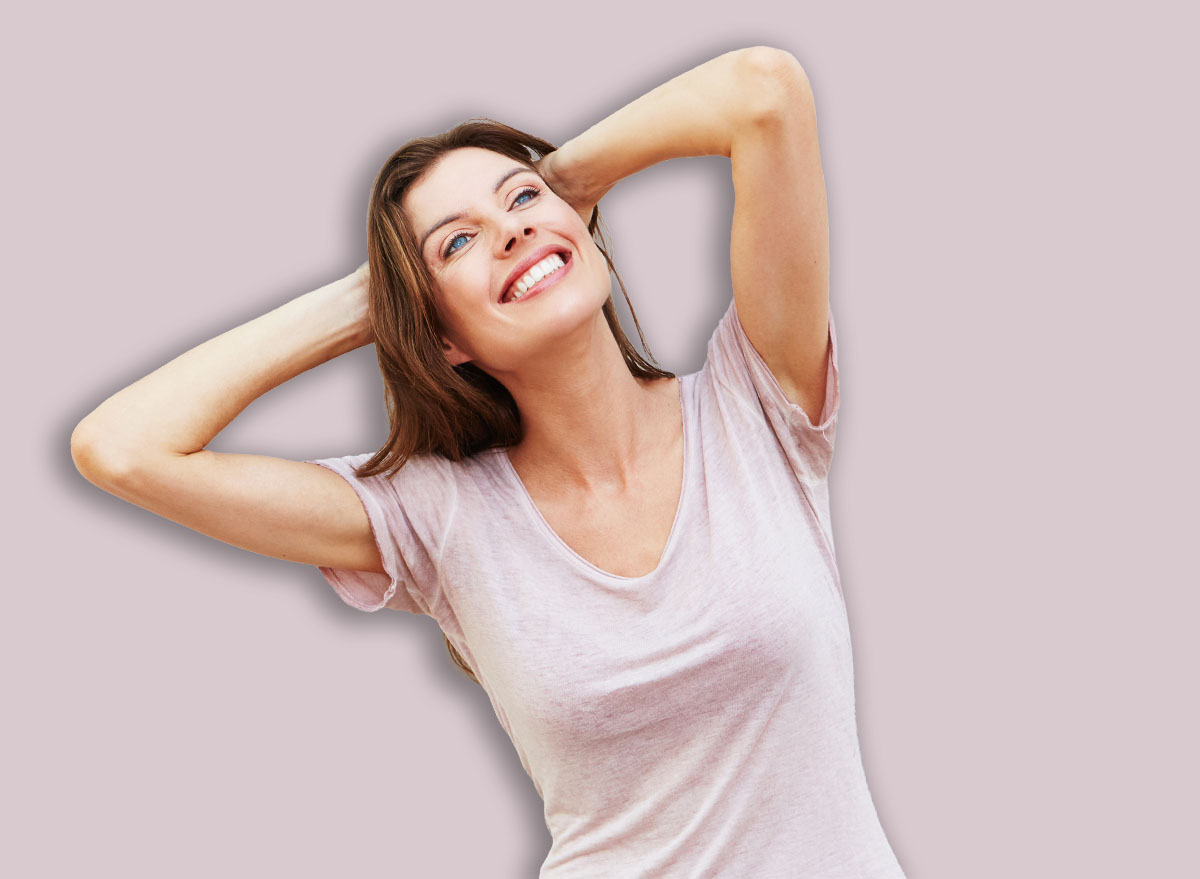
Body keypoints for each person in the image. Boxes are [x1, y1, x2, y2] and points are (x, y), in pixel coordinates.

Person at [71, 46, 907, 878]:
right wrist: (372, 299)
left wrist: (560, 189)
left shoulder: (754, 407)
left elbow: (764, 91)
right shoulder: (437, 515)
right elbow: (122, 448)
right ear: (440, 336)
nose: (510, 227)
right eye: (458, 242)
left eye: (521, 199)